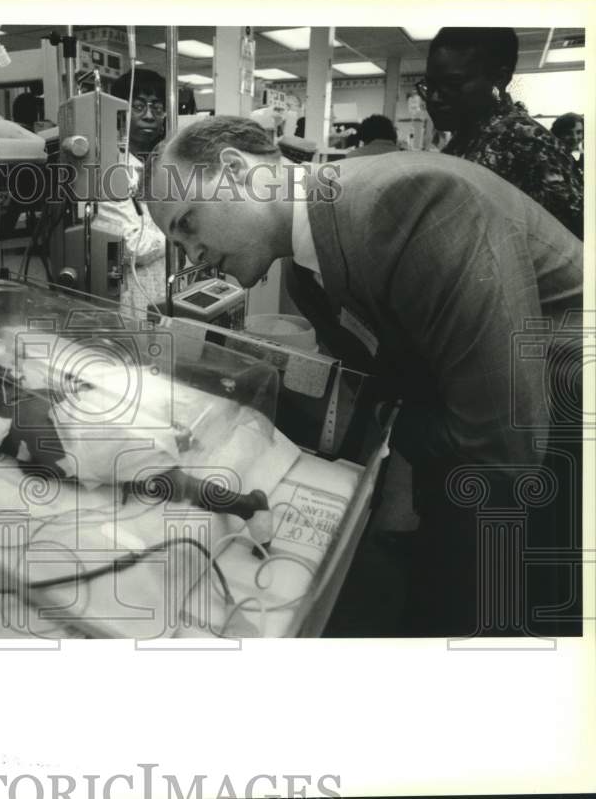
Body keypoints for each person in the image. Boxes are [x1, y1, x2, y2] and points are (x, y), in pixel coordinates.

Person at [142, 115, 583, 637]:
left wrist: (403, 431)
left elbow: (506, 439)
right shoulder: (306, 270)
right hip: (479, 441)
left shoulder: (410, 202)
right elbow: (392, 379)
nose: (194, 257)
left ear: (237, 171)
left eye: (188, 225)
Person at [0, 357, 272, 533]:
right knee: (159, 458)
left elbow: (80, 393)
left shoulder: (17, 403)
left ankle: (197, 426)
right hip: (90, 443)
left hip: (90, 436)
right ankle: (240, 501)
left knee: (144, 415)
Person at [419, 27, 583, 239]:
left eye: (452, 84)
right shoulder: (467, 137)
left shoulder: (528, 143)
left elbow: (573, 251)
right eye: (429, 86)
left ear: (499, 79)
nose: (434, 98)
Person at [86, 68, 169, 318]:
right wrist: (181, 233)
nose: (149, 115)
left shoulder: (168, 163)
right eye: (139, 106)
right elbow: (132, 247)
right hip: (132, 293)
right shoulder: (110, 168)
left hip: (168, 284)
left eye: (156, 107)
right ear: (121, 112)